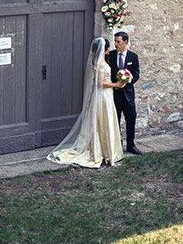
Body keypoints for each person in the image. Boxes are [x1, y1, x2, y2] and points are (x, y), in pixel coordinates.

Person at [47, 37, 124, 168]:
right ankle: (103, 152)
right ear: (103, 50)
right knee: (103, 121)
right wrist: (116, 84)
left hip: (105, 95)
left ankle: (106, 151)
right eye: (107, 48)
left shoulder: (97, 62)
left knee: (102, 121)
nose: (109, 50)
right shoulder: (101, 65)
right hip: (103, 96)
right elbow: (100, 84)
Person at [109, 31, 142, 154]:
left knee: (131, 119)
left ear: (125, 42)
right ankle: (116, 146)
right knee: (115, 120)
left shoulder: (133, 57)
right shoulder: (111, 55)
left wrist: (128, 80)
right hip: (115, 94)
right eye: (115, 42)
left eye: (118, 42)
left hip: (128, 95)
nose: (116, 44)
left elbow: (137, 74)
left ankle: (131, 145)